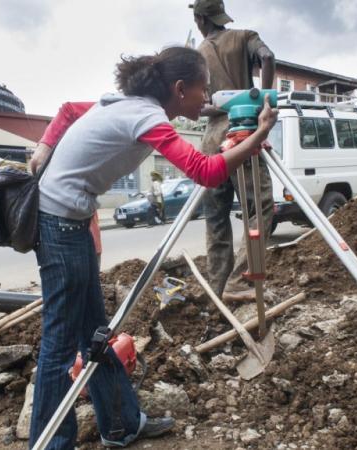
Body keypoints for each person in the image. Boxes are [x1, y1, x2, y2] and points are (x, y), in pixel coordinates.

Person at [28, 46, 277, 449]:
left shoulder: (128, 105)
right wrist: (258, 136)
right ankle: (50, 444)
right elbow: (205, 171)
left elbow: (72, 110)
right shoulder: (145, 115)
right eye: (203, 89)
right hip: (59, 225)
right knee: (60, 345)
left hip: (67, 220)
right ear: (180, 89)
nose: (208, 98)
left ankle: (122, 424)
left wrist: (45, 145)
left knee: (96, 334)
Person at [190, 0, 277, 302]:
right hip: (243, 133)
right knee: (261, 208)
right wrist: (263, 101)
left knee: (215, 217)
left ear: (201, 18)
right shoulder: (244, 37)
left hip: (212, 139)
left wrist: (214, 106)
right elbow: (267, 56)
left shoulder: (196, 55)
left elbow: (197, 107)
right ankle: (242, 279)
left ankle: (218, 288)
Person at [29, 103, 104, 265]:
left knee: (87, 283)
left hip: (88, 236)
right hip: (63, 233)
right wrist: (45, 147)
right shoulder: (55, 171)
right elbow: (70, 110)